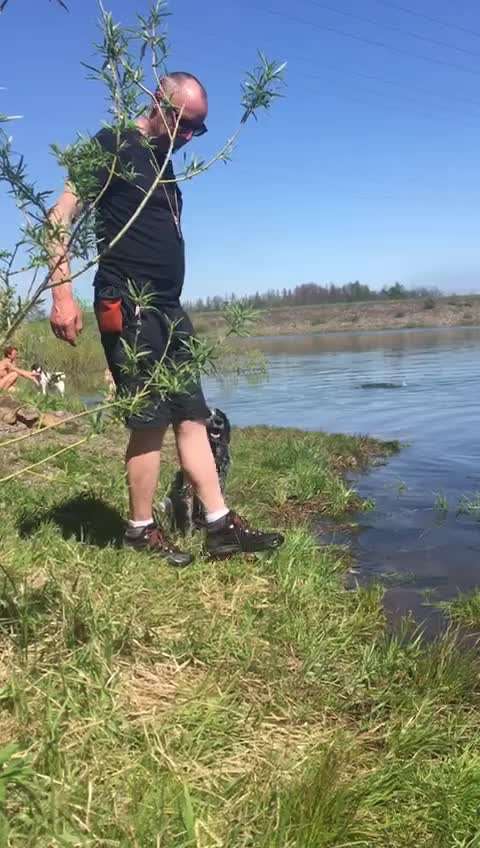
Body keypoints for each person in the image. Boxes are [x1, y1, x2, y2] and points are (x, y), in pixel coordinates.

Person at [47, 71, 284, 566]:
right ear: (160, 102)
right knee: (150, 420)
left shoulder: (163, 164)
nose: (192, 138)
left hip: (168, 308)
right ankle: (140, 530)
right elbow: (59, 217)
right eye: (187, 124)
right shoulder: (112, 144)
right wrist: (61, 294)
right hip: (126, 303)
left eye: (200, 130)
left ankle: (218, 525)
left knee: (192, 413)